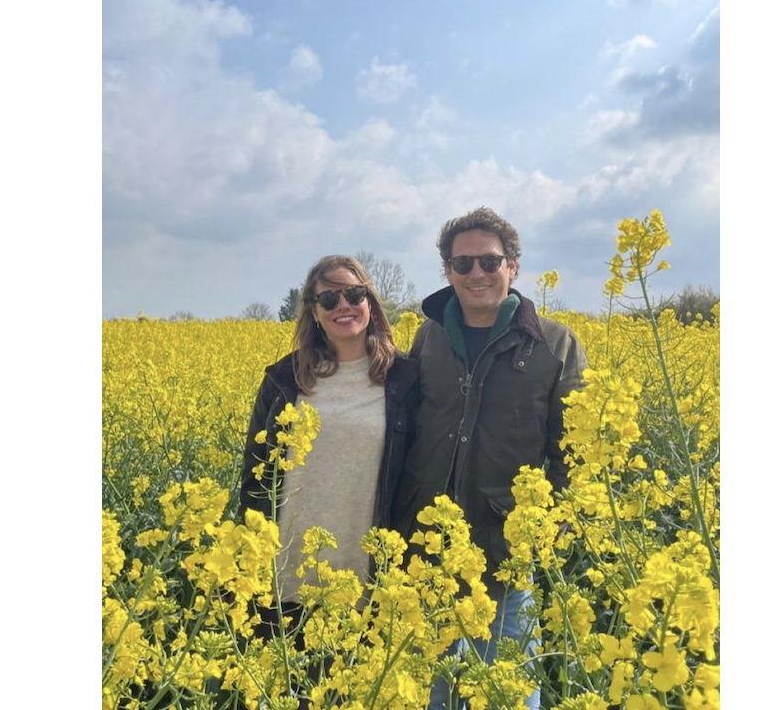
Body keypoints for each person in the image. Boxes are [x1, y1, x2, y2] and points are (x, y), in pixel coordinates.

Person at [392, 207, 587, 710]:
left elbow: (576, 453)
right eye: (463, 264)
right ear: (447, 271)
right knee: (427, 694)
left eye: (489, 261)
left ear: (513, 267)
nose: (476, 274)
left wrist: (543, 535)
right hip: (426, 550)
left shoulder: (554, 342)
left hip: (502, 552)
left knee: (506, 693)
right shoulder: (428, 335)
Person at [239, 255, 418, 639]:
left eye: (354, 294)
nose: (344, 307)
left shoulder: (406, 379)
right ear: (314, 312)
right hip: (285, 575)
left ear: (370, 301)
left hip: (368, 580)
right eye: (329, 300)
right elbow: (253, 479)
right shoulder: (284, 379)